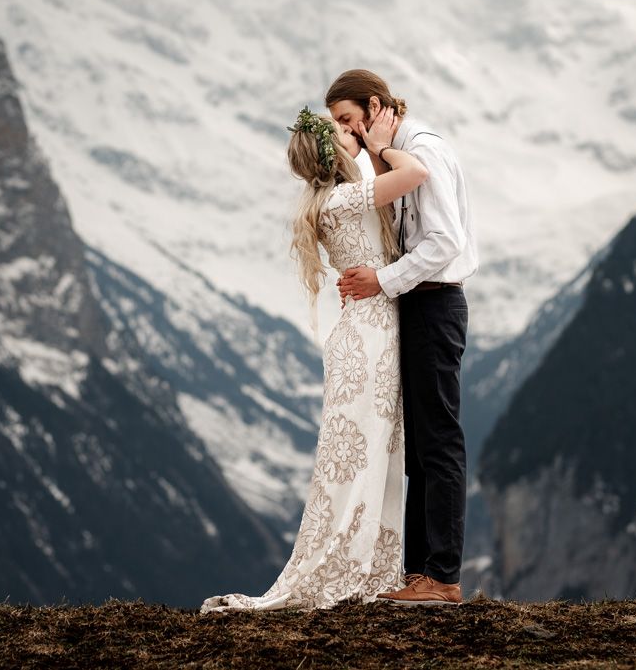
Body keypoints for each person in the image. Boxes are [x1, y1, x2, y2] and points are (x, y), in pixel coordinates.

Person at [200, 104, 427, 612]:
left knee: (373, 452)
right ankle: (357, 568)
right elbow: (417, 173)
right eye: (345, 133)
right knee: (365, 454)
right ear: (333, 152)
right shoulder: (344, 198)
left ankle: (371, 567)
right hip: (369, 337)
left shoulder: (329, 200)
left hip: (367, 332)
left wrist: (368, 150)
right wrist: (381, 146)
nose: (354, 133)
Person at [329, 69, 478, 607]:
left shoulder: (423, 150)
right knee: (419, 445)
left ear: (374, 106)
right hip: (417, 304)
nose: (344, 131)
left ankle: (442, 576)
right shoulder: (393, 152)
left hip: (435, 302)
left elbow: (444, 241)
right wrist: (376, 153)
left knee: (438, 439)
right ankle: (419, 574)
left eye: (347, 119)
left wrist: (381, 281)